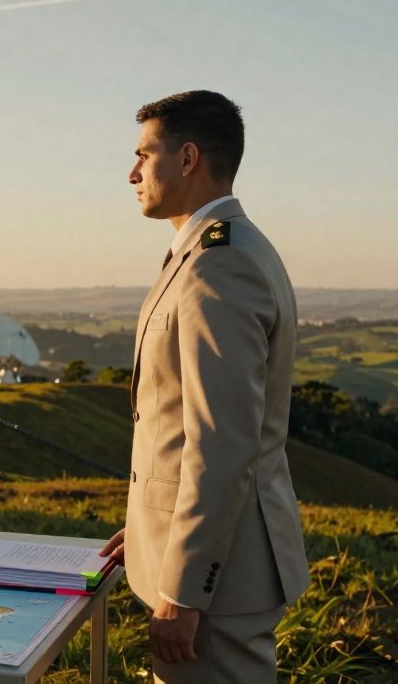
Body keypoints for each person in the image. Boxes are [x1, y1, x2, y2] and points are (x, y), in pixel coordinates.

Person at [99, 90, 310, 683]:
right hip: (208, 552)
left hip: (219, 580)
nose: (132, 173)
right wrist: (148, 526)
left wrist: (186, 591)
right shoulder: (214, 249)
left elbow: (223, 443)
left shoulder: (220, 263)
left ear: (187, 158)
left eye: (144, 154)